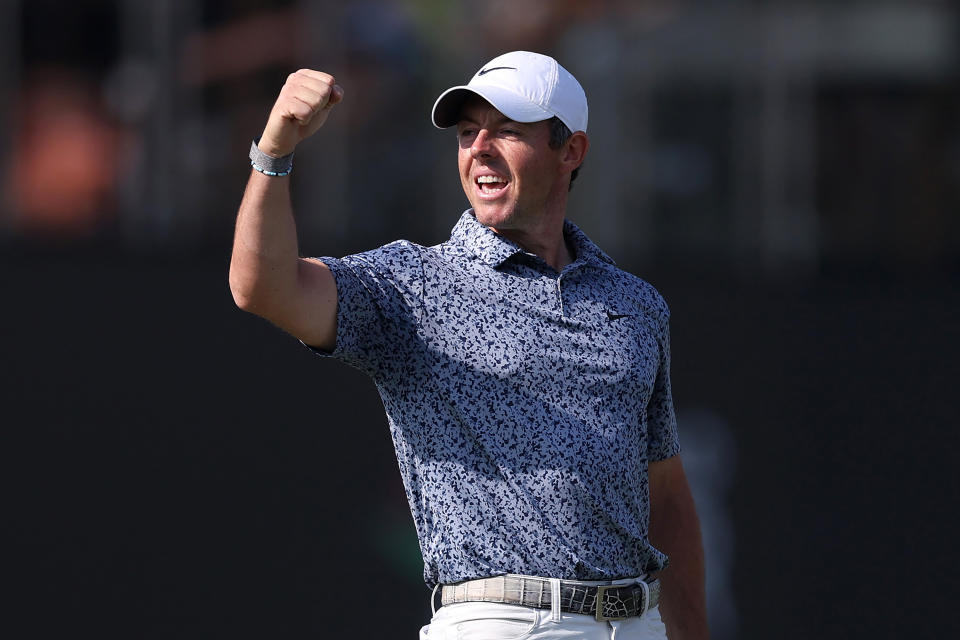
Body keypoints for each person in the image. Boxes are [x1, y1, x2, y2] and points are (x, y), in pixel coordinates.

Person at [229, 50, 709, 639]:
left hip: (635, 623)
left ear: (571, 151)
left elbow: (665, 496)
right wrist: (273, 152)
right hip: (500, 623)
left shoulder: (635, 306)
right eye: (466, 132)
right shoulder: (414, 285)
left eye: (506, 131)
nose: (480, 147)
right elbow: (262, 287)